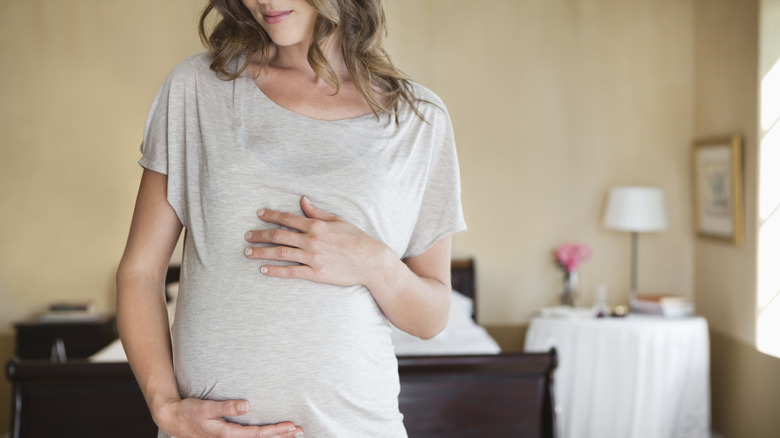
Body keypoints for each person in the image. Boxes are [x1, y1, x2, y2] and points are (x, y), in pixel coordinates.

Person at [116, 0, 465, 437]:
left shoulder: (417, 118)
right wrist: (164, 406)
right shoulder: (197, 88)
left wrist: (374, 263)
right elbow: (141, 272)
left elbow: (432, 316)